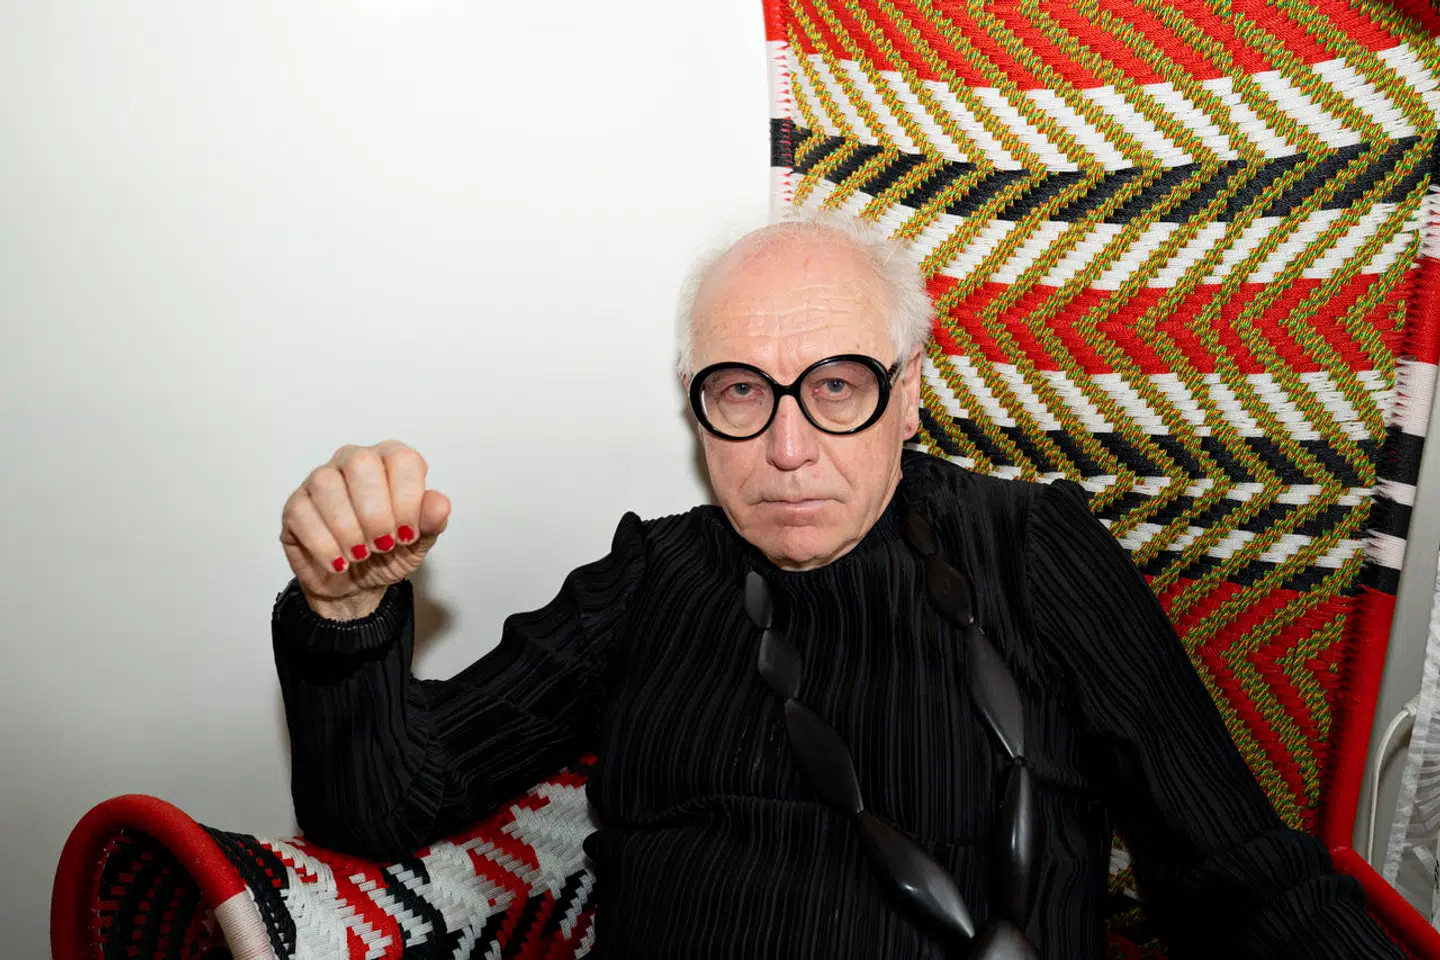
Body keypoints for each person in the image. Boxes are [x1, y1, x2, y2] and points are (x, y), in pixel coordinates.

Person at [270, 215, 1401, 958]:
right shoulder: (650, 577)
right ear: (695, 406)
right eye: (740, 392)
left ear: (909, 395)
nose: (788, 447)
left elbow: (1239, 873)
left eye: (838, 386)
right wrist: (344, 612)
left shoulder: (1032, 547)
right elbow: (385, 804)